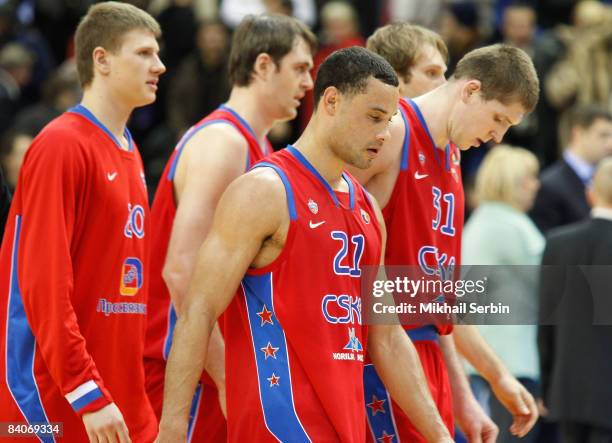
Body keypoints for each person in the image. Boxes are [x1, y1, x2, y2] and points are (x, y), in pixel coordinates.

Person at [156, 46, 453, 443]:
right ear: (331, 101)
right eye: (374, 117)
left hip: (345, 426)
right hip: (277, 429)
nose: (384, 133)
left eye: (391, 120)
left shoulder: (367, 209)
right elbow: (198, 312)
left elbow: (387, 338)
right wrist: (172, 429)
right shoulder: (264, 191)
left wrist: (441, 436)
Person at [353, 23, 540, 442]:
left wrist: (492, 378)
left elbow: (440, 300)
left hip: (427, 354)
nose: (498, 136)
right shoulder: (394, 133)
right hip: (377, 355)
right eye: (498, 119)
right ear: (470, 91)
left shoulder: (453, 155)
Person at [143, 13, 316, 443]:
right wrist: (229, 380)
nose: (309, 82)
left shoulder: (260, 147)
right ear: (262, 66)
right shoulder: (225, 143)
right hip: (184, 369)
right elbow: (181, 271)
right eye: (299, 68)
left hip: (214, 363)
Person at [0, 2, 165, 442]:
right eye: (145, 53)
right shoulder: (61, 145)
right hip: (54, 401)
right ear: (102, 59)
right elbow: (42, 283)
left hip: (119, 399)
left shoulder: (129, 151)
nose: (160, 66)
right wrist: (84, 390)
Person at [463, 145, 545, 443]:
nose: (537, 184)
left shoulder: (485, 220)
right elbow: (551, 284)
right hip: (509, 358)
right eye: (529, 178)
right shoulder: (509, 226)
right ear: (510, 181)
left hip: (489, 354)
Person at [538, 157, 612, 442]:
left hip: (567, 390)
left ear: (590, 193)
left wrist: (547, 386)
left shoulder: (557, 243)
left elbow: (547, 321)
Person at [530, 104, 612, 234]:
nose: (610, 144)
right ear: (578, 134)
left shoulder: (605, 178)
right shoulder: (549, 185)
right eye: (603, 135)